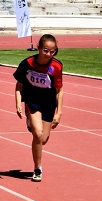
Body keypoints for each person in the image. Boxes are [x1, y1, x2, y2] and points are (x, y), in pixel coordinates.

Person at [13, 34, 64, 182]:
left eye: (52, 51)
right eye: (45, 50)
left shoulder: (56, 66)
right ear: (39, 48)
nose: (48, 54)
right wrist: (18, 103)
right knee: (37, 133)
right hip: (32, 100)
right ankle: (37, 168)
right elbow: (19, 85)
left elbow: (59, 90)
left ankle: (34, 126)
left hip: (48, 103)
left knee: (44, 139)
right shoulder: (27, 64)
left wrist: (59, 112)